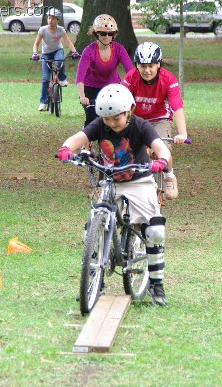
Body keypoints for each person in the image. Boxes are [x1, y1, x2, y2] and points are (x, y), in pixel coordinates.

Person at [57, 84, 171, 306]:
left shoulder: (141, 126)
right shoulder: (100, 124)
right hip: (109, 180)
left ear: (129, 110)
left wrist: (162, 160)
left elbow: (161, 148)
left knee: (154, 230)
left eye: (115, 118)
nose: (110, 123)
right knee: (93, 226)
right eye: (106, 119)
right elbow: (78, 138)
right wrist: (66, 148)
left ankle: (157, 285)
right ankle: (93, 281)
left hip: (138, 181)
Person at [121, 42, 188, 200]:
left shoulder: (168, 80)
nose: (147, 70)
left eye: (151, 65)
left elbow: (176, 107)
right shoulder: (131, 78)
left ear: (158, 64)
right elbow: (122, 101)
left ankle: (169, 176)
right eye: (142, 66)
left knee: (161, 148)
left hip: (159, 119)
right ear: (137, 65)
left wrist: (182, 133)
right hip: (136, 119)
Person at [76, 14, 134, 126]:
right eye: (102, 33)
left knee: (115, 118)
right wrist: (83, 96)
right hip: (91, 89)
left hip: (112, 88)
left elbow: (131, 72)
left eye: (110, 33)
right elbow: (80, 77)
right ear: (96, 34)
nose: (106, 36)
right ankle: (87, 140)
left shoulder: (119, 49)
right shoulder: (89, 51)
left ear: (114, 34)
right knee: (92, 120)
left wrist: (131, 91)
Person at [30, 7, 79, 112]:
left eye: (53, 18)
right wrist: (35, 53)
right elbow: (36, 44)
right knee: (45, 79)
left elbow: (68, 42)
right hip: (46, 53)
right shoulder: (43, 30)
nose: (50, 20)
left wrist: (74, 52)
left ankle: (62, 78)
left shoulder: (60, 30)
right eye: (49, 18)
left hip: (58, 50)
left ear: (58, 20)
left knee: (60, 61)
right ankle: (43, 102)